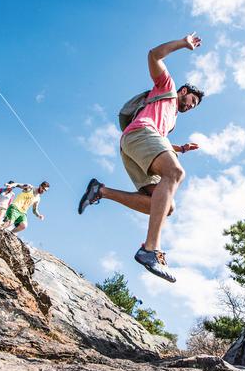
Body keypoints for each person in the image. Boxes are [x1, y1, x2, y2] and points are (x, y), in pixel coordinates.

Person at [78, 33, 204, 283]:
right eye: (191, 100)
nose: (190, 106)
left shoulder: (171, 120)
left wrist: (178, 149)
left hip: (134, 143)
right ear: (184, 91)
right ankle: (150, 250)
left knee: (166, 206)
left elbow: (158, 138)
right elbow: (153, 55)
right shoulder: (166, 88)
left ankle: (100, 191)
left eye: (194, 106)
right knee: (176, 174)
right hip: (139, 135)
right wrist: (183, 43)